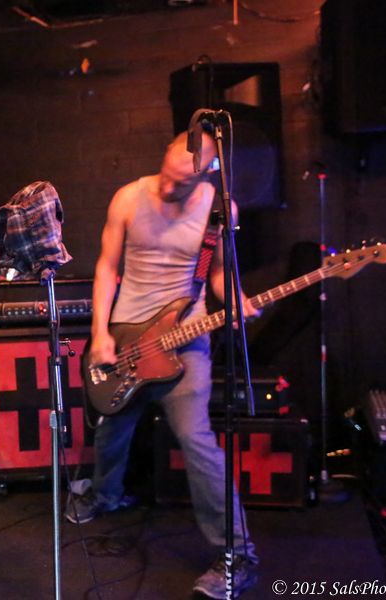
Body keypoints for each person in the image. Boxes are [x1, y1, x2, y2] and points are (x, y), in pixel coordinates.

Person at [66, 131, 259, 599]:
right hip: (127, 333)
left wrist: (237, 299)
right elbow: (107, 267)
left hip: (184, 338)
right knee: (111, 423)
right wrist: (100, 333)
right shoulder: (128, 198)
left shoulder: (219, 210)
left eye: (182, 182)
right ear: (167, 154)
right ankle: (106, 495)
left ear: (207, 172)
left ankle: (237, 554)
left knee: (196, 438)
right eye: (167, 174)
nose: (169, 187)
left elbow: (218, 272)